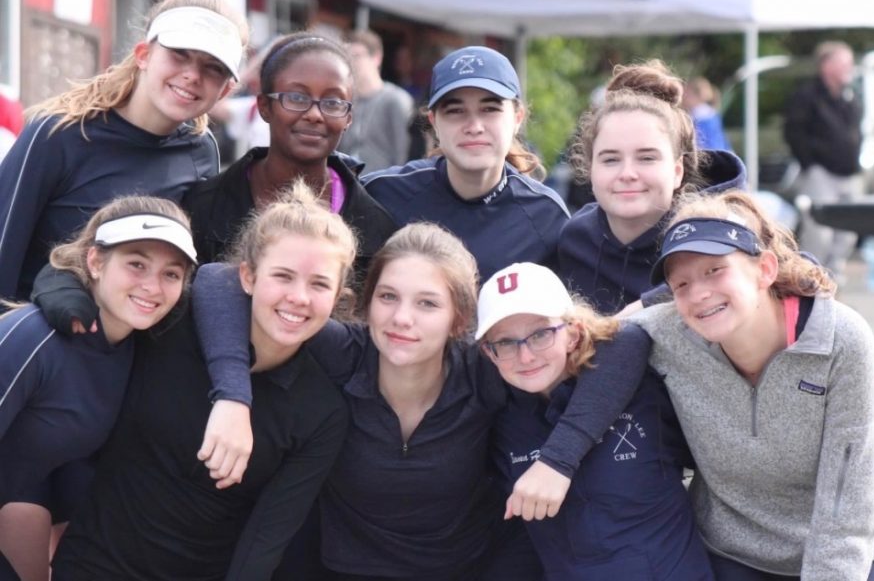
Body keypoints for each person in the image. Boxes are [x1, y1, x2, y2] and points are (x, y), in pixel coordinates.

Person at [191, 222, 650, 579]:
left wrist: (559, 459)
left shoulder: (483, 368)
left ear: (459, 320)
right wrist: (232, 397)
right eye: (388, 297)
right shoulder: (344, 353)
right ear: (367, 304)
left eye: (428, 304)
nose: (402, 319)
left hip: (466, 571)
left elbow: (625, 343)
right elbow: (218, 280)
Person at [50, 179, 351, 581]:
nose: (299, 297)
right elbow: (81, 280)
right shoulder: (173, 324)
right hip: (92, 563)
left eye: (319, 284)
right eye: (282, 276)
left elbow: (266, 537)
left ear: (337, 297)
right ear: (247, 276)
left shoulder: (321, 413)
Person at [629, 189, 874, 580]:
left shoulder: (841, 339)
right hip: (734, 549)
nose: (699, 294)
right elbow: (586, 338)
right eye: (681, 284)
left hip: (854, 545)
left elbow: (848, 502)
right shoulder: (668, 333)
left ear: (765, 270)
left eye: (715, 270)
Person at [0, 0, 248, 302]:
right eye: (179, 54)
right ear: (143, 55)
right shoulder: (58, 133)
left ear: (225, 90)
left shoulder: (201, 151)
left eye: (213, 68)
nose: (192, 75)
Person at [0, 195, 196, 581]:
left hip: (28, 494)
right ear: (95, 261)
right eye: (136, 264)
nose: (152, 287)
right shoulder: (33, 338)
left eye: (171, 274)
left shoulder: (138, 344)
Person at [478, 262, 713, 580]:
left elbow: (632, 333)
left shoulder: (637, 387)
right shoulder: (503, 424)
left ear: (573, 333)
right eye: (505, 343)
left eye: (540, 334)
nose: (526, 356)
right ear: (489, 353)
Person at [183, 31, 397, 284]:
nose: (315, 114)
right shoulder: (202, 207)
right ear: (264, 106)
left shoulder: (375, 227)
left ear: (349, 117)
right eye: (296, 97)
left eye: (333, 102)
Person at [362, 45, 569, 281]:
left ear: (517, 118)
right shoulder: (382, 194)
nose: (474, 126)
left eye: (490, 109)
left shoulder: (546, 216)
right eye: (456, 111)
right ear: (434, 122)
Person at [557, 59, 746, 314]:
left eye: (647, 158)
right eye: (610, 159)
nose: (627, 174)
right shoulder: (574, 240)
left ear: (678, 170)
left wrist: (645, 308)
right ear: (590, 169)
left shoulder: (719, 239)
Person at [784, 40, 863, 283]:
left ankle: (834, 274)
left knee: (849, 228)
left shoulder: (849, 95)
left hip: (848, 171)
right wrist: (810, 162)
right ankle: (811, 275)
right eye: (844, 62)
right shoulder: (807, 95)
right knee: (819, 229)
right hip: (821, 171)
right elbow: (793, 131)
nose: (849, 67)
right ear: (827, 65)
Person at [337, 29, 414, 173]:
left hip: (383, 185)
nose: (351, 62)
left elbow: (403, 151)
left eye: (356, 56)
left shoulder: (396, 99)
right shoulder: (344, 101)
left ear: (376, 58)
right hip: (349, 183)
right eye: (346, 57)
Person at [682, 76, 732, 152]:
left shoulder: (702, 118)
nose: (683, 96)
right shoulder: (709, 114)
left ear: (695, 95)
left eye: (687, 93)